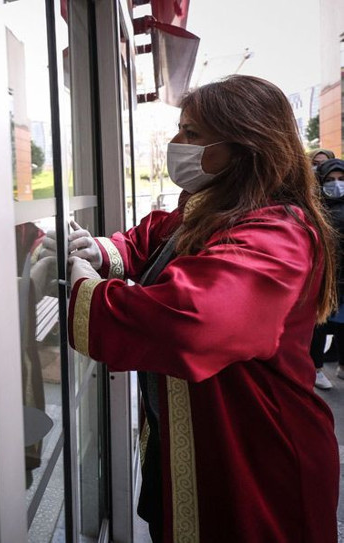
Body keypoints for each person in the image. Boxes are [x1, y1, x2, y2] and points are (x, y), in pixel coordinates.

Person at [66, 75, 338, 542]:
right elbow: (151, 239)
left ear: (246, 144)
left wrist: (83, 288)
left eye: (192, 133)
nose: (177, 143)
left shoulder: (276, 232)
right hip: (188, 443)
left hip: (254, 452)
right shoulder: (212, 208)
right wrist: (100, 251)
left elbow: (191, 323)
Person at [311, 158, 344, 389]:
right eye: (330, 180)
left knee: (343, 325)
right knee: (319, 327)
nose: (337, 185)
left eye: (342, 180)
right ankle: (316, 369)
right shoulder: (314, 210)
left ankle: (342, 366)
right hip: (323, 279)